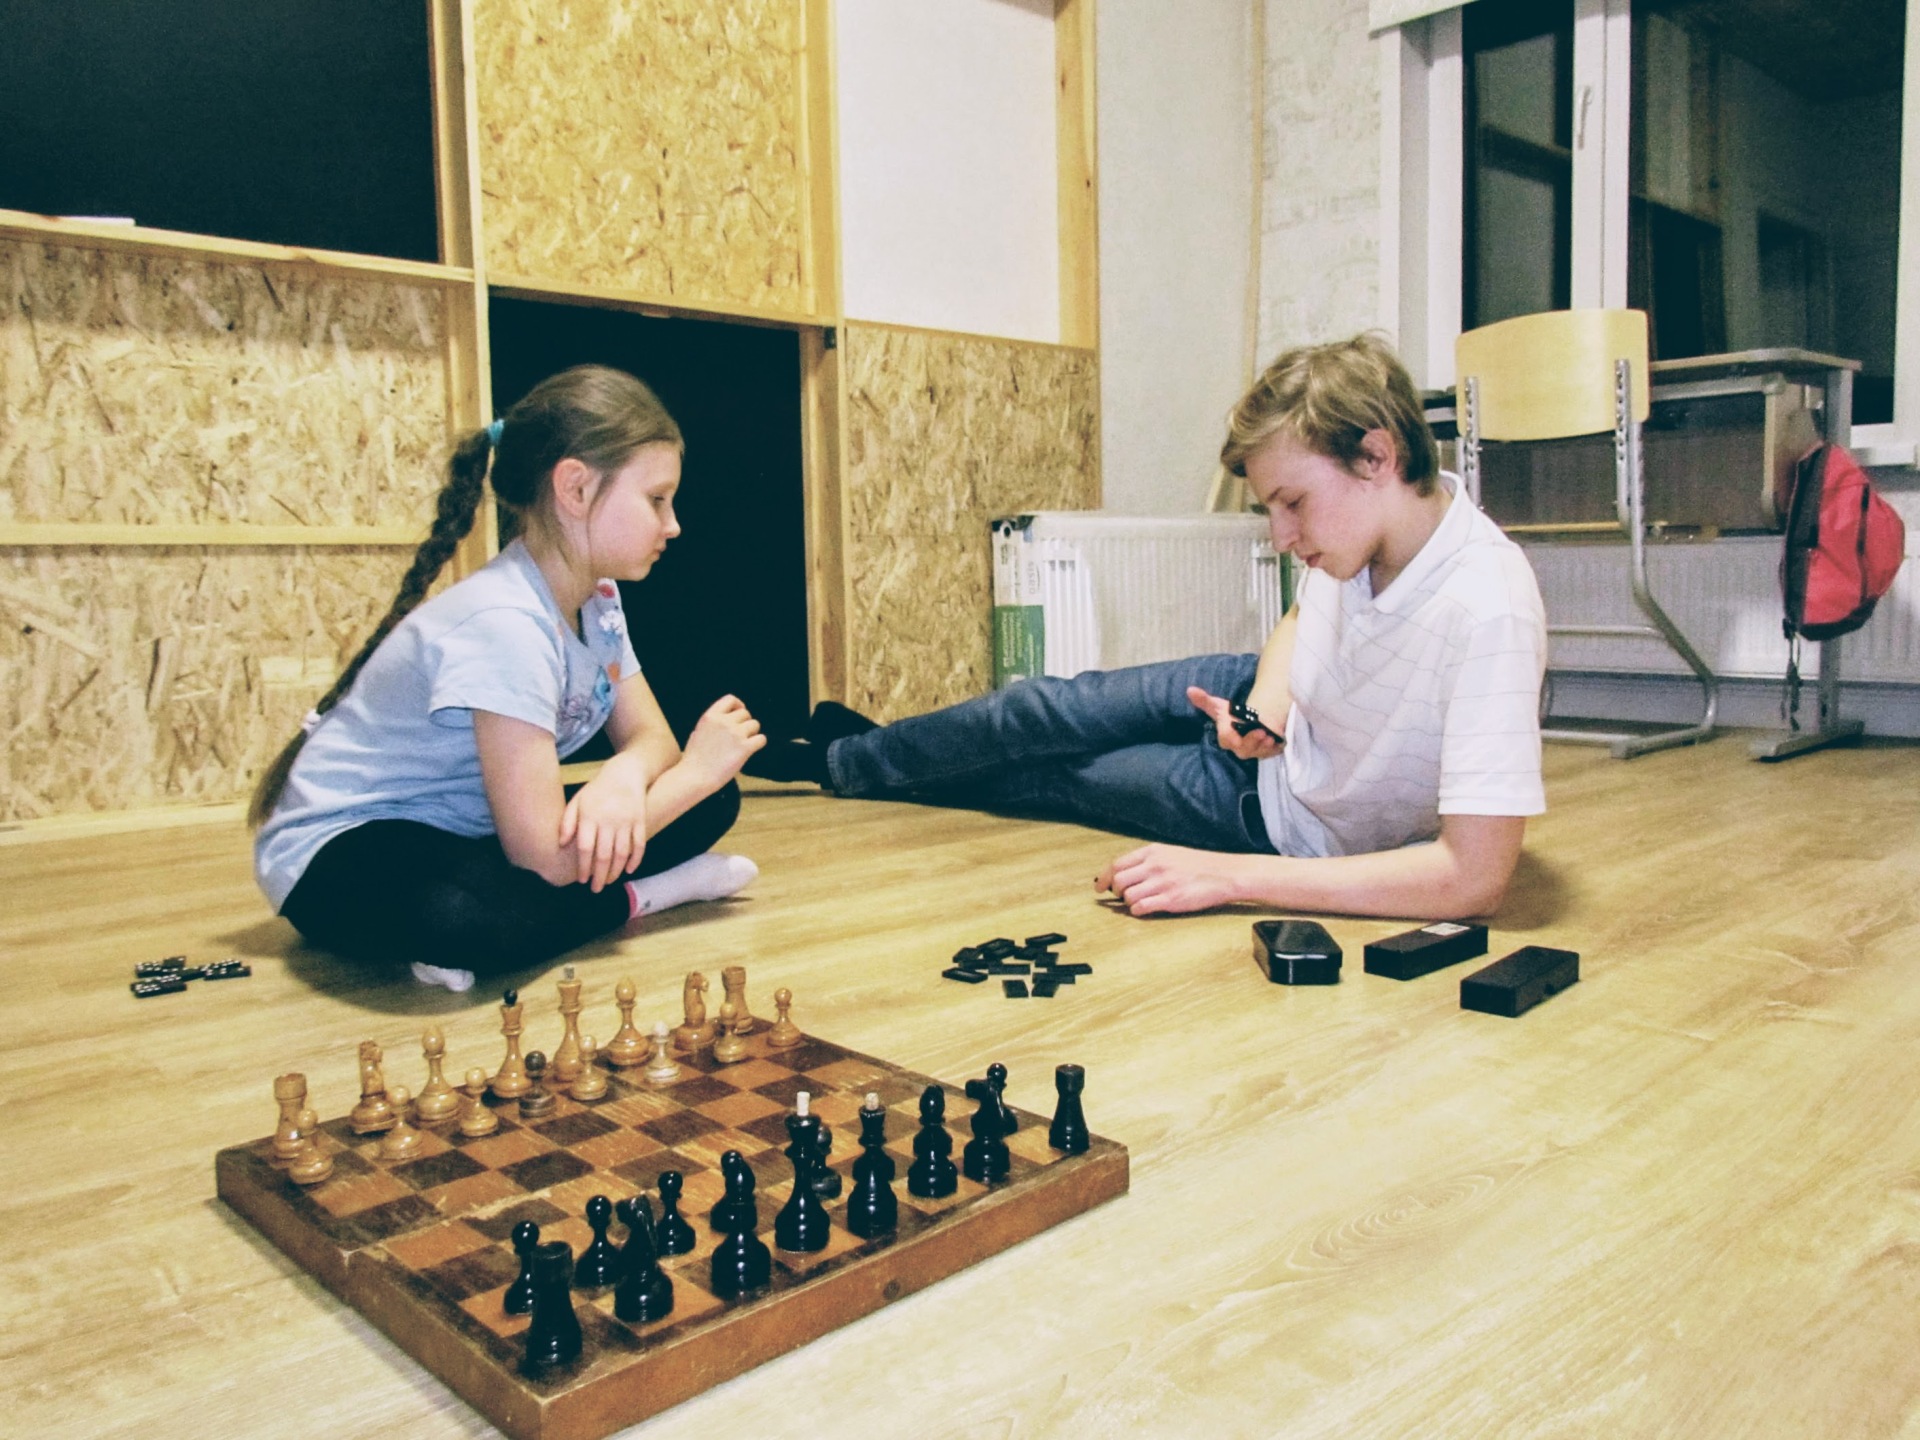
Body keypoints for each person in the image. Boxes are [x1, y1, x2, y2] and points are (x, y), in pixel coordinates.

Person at [748, 333, 1546, 921]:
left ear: (1376, 456)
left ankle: (862, 757)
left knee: (1058, 777)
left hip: (1274, 818)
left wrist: (1228, 876)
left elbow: (1473, 881)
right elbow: (1305, 612)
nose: (1280, 536)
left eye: (1292, 503)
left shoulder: (1490, 608)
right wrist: (1268, 699)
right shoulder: (1356, 537)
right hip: (1252, 700)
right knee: (1040, 708)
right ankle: (845, 758)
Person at [252, 365, 765, 990]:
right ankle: (645, 896)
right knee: (472, 916)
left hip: (472, 831)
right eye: (656, 499)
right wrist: (693, 773)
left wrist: (624, 778)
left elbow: (650, 738)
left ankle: (541, 912)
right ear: (575, 488)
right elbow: (547, 858)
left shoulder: (599, 599)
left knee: (711, 800)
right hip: (341, 853)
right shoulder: (506, 625)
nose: (673, 523)